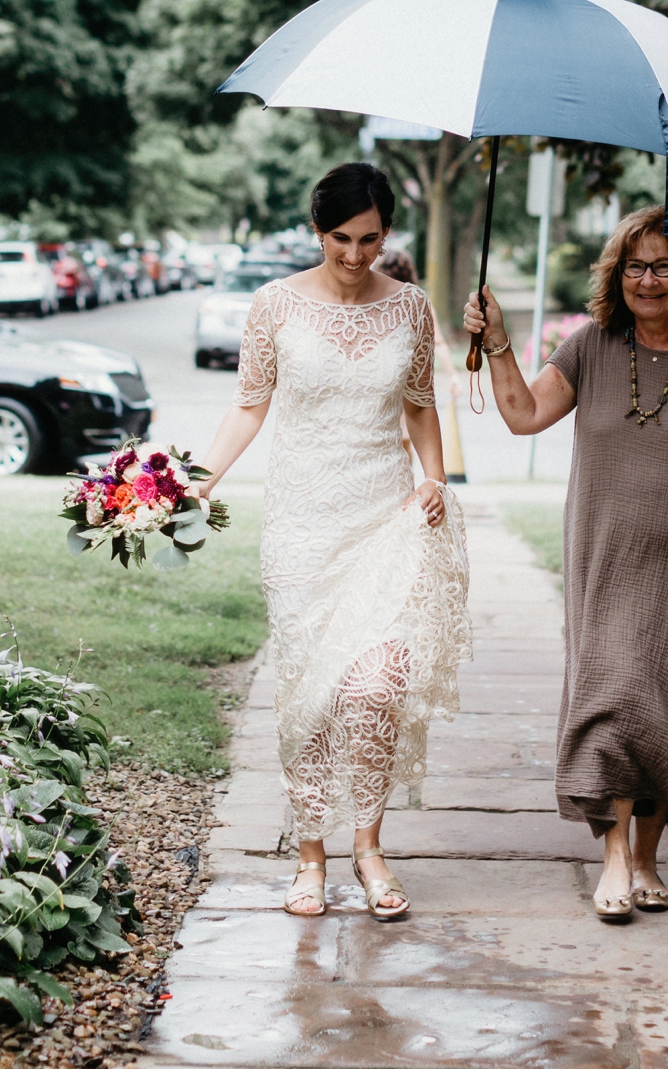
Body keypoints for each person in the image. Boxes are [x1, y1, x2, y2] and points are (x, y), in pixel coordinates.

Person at [463, 204, 668, 920]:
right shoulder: (589, 347)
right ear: (617, 273)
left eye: (663, 266)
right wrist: (499, 345)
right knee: (613, 697)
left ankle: (645, 854)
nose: (649, 279)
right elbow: (522, 415)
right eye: (635, 265)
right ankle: (611, 857)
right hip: (606, 558)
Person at [200, 163, 471, 920]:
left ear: (388, 234)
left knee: (377, 685)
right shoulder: (274, 305)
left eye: (372, 239)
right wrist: (198, 479)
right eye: (341, 239)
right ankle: (311, 856)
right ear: (317, 230)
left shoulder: (410, 307)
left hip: (385, 517)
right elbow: (248, 408)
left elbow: (420, 406)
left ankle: (369, 845)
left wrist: (435, 478)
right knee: (310, 694)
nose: (356, 256)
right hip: (302, 528)